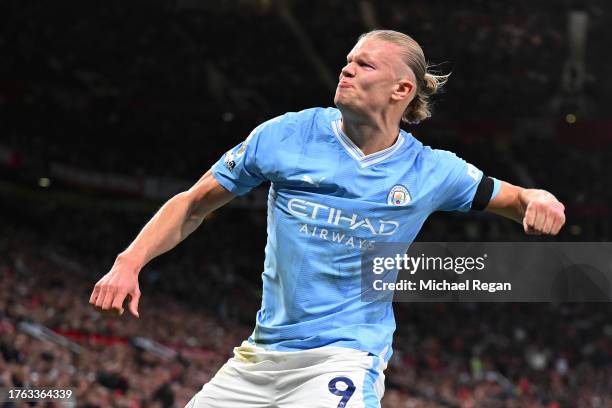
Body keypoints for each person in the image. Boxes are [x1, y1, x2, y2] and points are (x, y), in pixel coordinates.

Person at [89, 30, 566, 407]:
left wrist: (540, 198)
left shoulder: (432, 170)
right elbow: (193, 203)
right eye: (348, 59)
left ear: (402, 89)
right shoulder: (285, 135)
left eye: (365, 63)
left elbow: (519, 198)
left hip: (343, 356)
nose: (347, 67)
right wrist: (128, 262)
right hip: (260, 356)